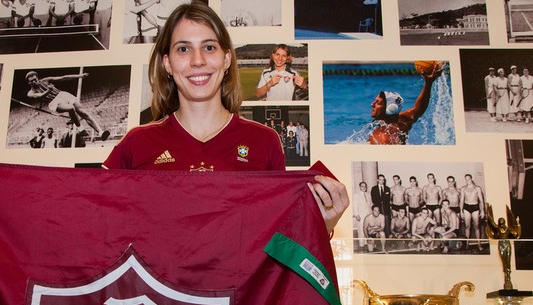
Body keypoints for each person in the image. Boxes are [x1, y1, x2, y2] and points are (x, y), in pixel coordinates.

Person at [102, 2, 347, 236]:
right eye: (183, 49)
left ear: (227, 59)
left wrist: (321, 224)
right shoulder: (137, 142)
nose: (198, 60)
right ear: (167, 63)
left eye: (209, 47)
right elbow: (98, 225)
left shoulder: (264, 141)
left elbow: (275, 242)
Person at [368, 62, 442, 144]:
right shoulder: (403, 120)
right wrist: (429, 83)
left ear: (390, 109)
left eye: (378, 103)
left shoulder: (382, 137)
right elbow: (419, 109)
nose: (372, 104)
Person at [25, 70, 110, 142]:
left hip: (62, 94)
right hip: (54, 103)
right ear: (28, 83)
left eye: (35, 79)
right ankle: (81, 129)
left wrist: (80, 76)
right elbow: (40, 96)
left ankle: (100, 132)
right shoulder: (30, 93)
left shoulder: (46, 80)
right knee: (71, 108)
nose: (34, 82)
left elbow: (64, 77)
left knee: (83, 113)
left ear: (37, 78)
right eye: (31, 81)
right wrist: (48, 90)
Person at [460, 173, 485, 251]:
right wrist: (461, 211)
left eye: (469, 179)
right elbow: (461, 201)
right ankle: (466, 244)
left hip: (475, 207)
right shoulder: (463, 189)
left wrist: (483, 210)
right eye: (466, 179)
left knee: (476, 226)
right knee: (467, 226)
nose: (467, 181)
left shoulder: (477, 188)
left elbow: (481, 200)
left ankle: (479, 244)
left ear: (471, 179)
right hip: (467, 207)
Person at [353, 181, 372, 248]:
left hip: (368, 214)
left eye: (365, 186)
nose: (364, 188)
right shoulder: (357, 195)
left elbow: (370, 205)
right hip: (360, 215)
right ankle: (361, 244)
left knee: (367, 228)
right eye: (362, 186)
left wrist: (371, 214)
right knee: (361, 229)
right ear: (360, 187)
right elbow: (355, 206)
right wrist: (357, 215)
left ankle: (367, 242)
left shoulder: (368, 195)